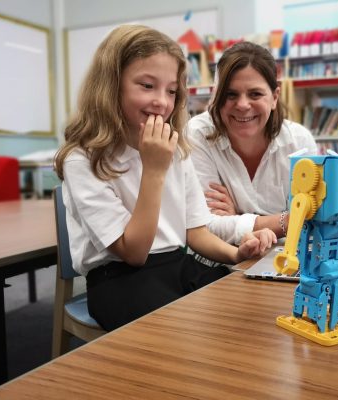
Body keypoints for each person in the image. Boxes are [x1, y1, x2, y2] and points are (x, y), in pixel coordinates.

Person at [54, 25, 275, 332]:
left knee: (246, 306)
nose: (162, 101)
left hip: (178, 266)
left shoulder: (175, 149)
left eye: (171, 91)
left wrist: (237, 253)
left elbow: (196, 234)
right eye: (147, 85)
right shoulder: (84, 159)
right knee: (181, 333)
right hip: (118, 280)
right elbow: (133, 253)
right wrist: (154, 169)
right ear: (111, 85)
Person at [187, 41, 317, 245]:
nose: (242, 105)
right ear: (216, 97)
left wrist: (237, 216)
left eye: (255, 94)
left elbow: (312, 221)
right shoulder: (197, 134)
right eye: (230, 95)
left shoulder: (299, 142)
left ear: (274, 97)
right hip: (220, 263)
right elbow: (204, 227)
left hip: (287, 260)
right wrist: (286, 220)